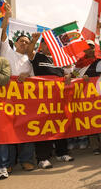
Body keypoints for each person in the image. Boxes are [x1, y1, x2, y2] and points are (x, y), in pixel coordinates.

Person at [0, 3, 35, 172]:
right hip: (7, 99)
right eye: (21, 41)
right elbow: (3, 32)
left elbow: (36, 82)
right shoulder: (7, 51)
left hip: (25, 102)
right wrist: (7, 15)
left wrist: (27, 76)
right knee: (8, 130)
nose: (24, 44)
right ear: (16, 42)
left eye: (27, 42)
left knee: (26, 129)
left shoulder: (29, 61)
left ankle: (26, 160)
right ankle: (9, 163)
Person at [28, 34, 74, 169]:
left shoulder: (58, 59)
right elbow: (29, 51)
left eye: (50, 44)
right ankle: (43, 158)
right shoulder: (36, 56)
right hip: (42, 99)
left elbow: (69, 73)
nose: (48, 47)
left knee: (60, 124)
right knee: (44, 127)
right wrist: (34, 40)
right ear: (41, 46)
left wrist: (67, 75)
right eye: (45, 44)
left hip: (58, 99)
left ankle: (62, 153)